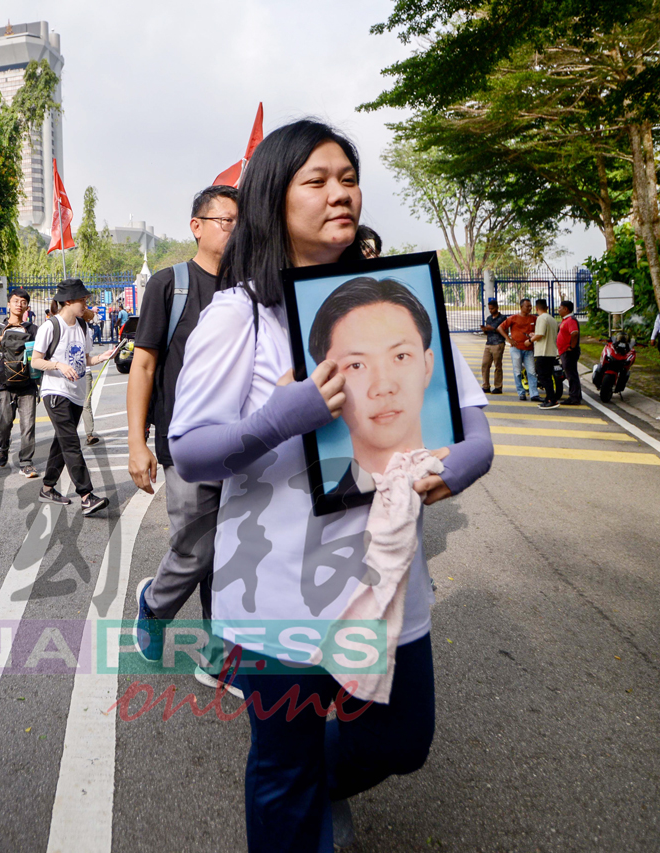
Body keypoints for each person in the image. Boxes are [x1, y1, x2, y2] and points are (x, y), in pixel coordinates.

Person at [167, 119, 493, 852]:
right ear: (271, 201)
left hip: (386, 585)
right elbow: (190, 452)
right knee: (280, 771)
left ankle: (318, 783)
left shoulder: (395, 297)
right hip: (279, 592)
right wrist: (285, 415)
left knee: (401, 739)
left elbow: (473, 428)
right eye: (316, 180)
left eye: (347, 177)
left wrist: (463, 464)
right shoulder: (239, 316)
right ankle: (299, 800)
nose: (339, 193)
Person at [128, 184, 241, 695]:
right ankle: (154, 604)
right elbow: (145, 364)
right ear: (197, 226)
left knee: (235, 554)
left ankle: (217, 658)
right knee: (196, 550)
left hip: (245, 445)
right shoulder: (170, 285)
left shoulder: (249, 287)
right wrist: (137, 442)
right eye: (226, 220)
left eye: (242, 221)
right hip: (186, 445)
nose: (235, 229)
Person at [307, 276, 436, 489]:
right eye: (356, 365)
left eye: (401, 356)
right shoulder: (330, 499)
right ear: (327, 380)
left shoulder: (448, 468)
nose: (383, 387)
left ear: (427, 366)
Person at [32, 279, 118, 516]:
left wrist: (101, 358)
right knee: (71, 442)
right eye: (82, 299)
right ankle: (86, 495)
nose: (85, 303)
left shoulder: (83, 327)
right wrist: (58, 365)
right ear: (67, 301)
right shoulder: (50, 327)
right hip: (55, 392)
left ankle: (47, 488)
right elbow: (36, 360)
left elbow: (85, 359)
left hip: (77, 394)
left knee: (62, 442)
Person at [0, 288, 40, 477]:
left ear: (27, 306)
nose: (19, 304)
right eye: (16, 301)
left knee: (28, 425)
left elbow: (45, 351)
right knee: (4, 423)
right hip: (4, 383)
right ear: (9, 304)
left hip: (28, 384)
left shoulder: (33, 329)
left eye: (23, 302)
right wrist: (0, 338)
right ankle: (3, 447)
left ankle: (26, 462)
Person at [499, 298, 538, 401]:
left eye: (530, 306)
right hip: (516, 349)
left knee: (531, 371)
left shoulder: (534, 319)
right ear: (521, 307)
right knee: (517, 372)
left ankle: (534, 394)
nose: (530, 308)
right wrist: (509, 339)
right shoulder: (513, 318)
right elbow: (500, 328)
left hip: (529, 349)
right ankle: (521, 392)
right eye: (527, 306)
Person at [531, 298, 560, 409]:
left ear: (536, 308)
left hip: (543, 352)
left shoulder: (541, 318)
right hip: (551, 352)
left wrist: (530, 340)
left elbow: (540, 335)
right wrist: (535, 335)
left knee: (543, 377)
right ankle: (549, 398)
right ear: (547, 307)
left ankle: (552, 399)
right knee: (547, 376)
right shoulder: (552, 319)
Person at [479, 297, 507, 393]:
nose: (491, 310)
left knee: (497, 366)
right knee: (485, 364)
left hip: (498, 343)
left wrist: (493, 329)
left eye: (492, 309)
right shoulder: (489, 318)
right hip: (489, 343)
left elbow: (504, 331)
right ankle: (486, 386)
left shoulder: (503, 318)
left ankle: (498, 386)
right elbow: (488, 332)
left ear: (497, 308)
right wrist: (485, 330)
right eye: (490, 309)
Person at [556, 300, 582, 404]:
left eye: (560, 308)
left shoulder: (571, 320)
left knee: (571, 375)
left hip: (569, 353)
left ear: (566, 309)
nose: (558, 310)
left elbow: (574, 333)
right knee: (570, 374)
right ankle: (575, 395)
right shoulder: (565, 320)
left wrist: (572, 346)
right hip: (564, 352)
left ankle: (574, 397)